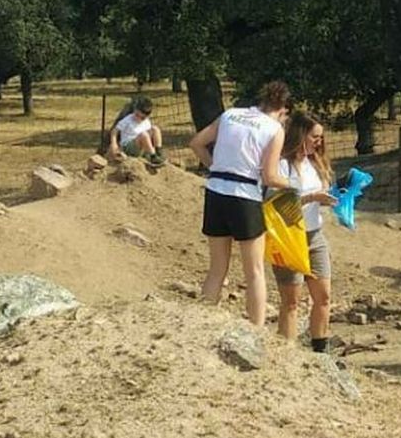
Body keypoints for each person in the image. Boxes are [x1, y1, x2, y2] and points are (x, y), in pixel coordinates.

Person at [190, 81, 294, 327]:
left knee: (217, 268)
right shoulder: (273, 129)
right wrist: (292, 185)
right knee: (255, 270)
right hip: (245, 194)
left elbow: (196, 143)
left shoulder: (231, 114)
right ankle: (256, 330)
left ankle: (202, 325)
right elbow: (270, 176)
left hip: (215, 190)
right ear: (283, 110)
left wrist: (214, 166)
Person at [271, 112, 338, 351]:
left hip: (314, 234)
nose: (318, 142)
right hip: (289, 237)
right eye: (314, 137)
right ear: (300, 135)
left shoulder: (314, 163)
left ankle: (321, 352)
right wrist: (312, 197)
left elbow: (319, 192)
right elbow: (275, 204)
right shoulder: (280, 165)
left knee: (324, 297)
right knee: (291, 302)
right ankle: (286, 355)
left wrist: (328, 199)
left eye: (320, 138)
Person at [108, 95, 165, 165]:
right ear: (134, 110)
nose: (138, 119)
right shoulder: (127, 120)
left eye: (142, 118)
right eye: (137, 115)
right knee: (144, 135)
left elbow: (150, 135)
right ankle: (153, 157)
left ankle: (158, 152)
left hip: (142, 146)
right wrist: (114, 144)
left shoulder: (147, 121)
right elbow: (115, 131)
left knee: (155, 129)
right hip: (128, 146)